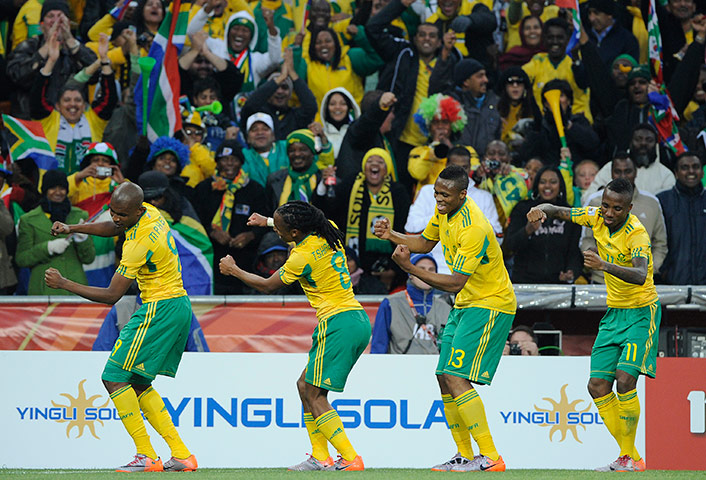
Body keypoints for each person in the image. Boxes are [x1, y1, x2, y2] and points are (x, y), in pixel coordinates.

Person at [44, 182, 198, 473]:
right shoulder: (149, 213)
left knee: (113, 376)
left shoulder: (139, 244)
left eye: (121, 215)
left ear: (137, 210)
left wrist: (64, 283)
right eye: (113, 212)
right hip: (175, 305)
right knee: (138, 383)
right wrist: (74, 228)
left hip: (158, 309)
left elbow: (112, 296)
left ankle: (146, 456)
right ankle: (181, 455)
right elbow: (114, 227)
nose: (116, 218)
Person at [374, 165, 515, 472]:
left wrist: (409, 269)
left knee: (455, 376)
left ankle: (490, 457)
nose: (438, 199)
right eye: (436, 192)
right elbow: (425, 244)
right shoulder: (445, 210)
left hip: (490, 304)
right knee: (443, 376)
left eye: (445, 195)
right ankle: (464, 454)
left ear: (463, 194)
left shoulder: (474, 227)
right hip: (466, 304)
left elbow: (454, 282)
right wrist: (391, 235)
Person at [219, 201, 370, 471]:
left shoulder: (302, 257)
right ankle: (320, 457)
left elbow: (267, 286)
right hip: (353, 319)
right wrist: (266, 221)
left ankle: (349, 457)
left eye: (280, 228)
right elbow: (297, 227)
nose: (276, 231)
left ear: (296, 233)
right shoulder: (328, 230)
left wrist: (234, 270)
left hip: (338, 322)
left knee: (315, 394)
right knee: (305, 387)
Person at [527, 177, 658, 472]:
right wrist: (541, 209)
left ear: (629, 208)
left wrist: (603, 265)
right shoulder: (594, 216)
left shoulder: (637, 233)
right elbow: (558, 210)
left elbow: (640, 275)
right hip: (614, 313)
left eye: (616, 209)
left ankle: (630, 459)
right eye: (606, 206)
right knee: (597, 386)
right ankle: (631, 456)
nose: (608, 213)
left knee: (624, 381)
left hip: (641, 313)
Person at [194, 140, 268, 294]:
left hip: (246, 263)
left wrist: (251, 235)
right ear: (217, 163)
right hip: (212, 260)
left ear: (240, 163)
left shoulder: (255, 189)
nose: (229, 164)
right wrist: (212, 232)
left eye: (233, 160)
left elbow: (267, 224)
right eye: (224, 160)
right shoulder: (203, 189)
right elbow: (194, 222)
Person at [582, 155, 668, 284]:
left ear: (636, 172)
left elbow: (660, 243)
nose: (623, 176)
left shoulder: (652, 203)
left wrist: (650, 270)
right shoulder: (595, 201)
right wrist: (596, 261)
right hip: (603, 281)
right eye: (618, 171)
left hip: (640, 284)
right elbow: (586, 240)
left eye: (627, 171)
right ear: (611, 173)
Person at [15, 169, 96, 295]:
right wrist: (47, 248)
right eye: (52, 188)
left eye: (62, 188)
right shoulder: (28, 220)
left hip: (74, 290)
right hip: (43, 290)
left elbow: (89, 258)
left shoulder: (79, 216)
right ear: (45, 190)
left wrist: (83, 239)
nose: (58, 192)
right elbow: (22, 259)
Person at [504, 166, 583, 284]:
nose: (547, 186)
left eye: (553, 182)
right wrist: (527, 230)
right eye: (542, 182)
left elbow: (574, 252)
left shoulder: (569, 214)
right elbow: (509, 246)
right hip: (525, 283)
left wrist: (572, 272)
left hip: (558, 285)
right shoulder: (522, 209)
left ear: (560, 186)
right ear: (537, 185)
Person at [371, 253, 452, 354]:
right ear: (410, 274)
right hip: (398, 368)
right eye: (421, 269)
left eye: (431, 270)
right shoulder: (390, 304)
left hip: (435, 368)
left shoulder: (446, 308)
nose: (426, 274)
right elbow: (378, 346)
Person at [657, 152, 706, 285]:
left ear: (702, 172)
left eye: (695, 167)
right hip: (672, 284)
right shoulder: (662, 200)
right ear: (676, 173)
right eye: (685, 167)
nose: (691, 171)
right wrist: (663, 270)